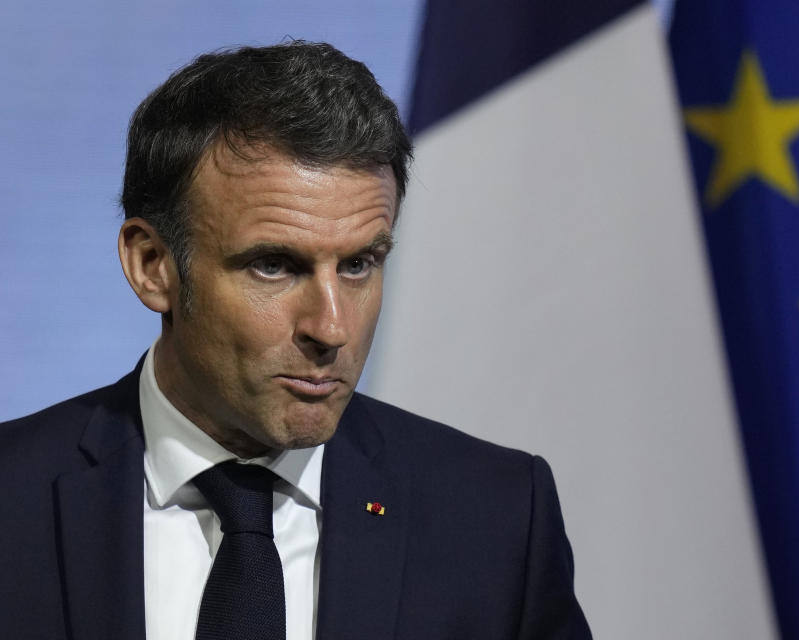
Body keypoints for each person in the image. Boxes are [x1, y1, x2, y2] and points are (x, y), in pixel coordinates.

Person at [0, 41, 590, 639]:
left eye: (360, 264)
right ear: (153, 265)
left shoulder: (498, 519)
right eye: (275, 266)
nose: (332, 328)